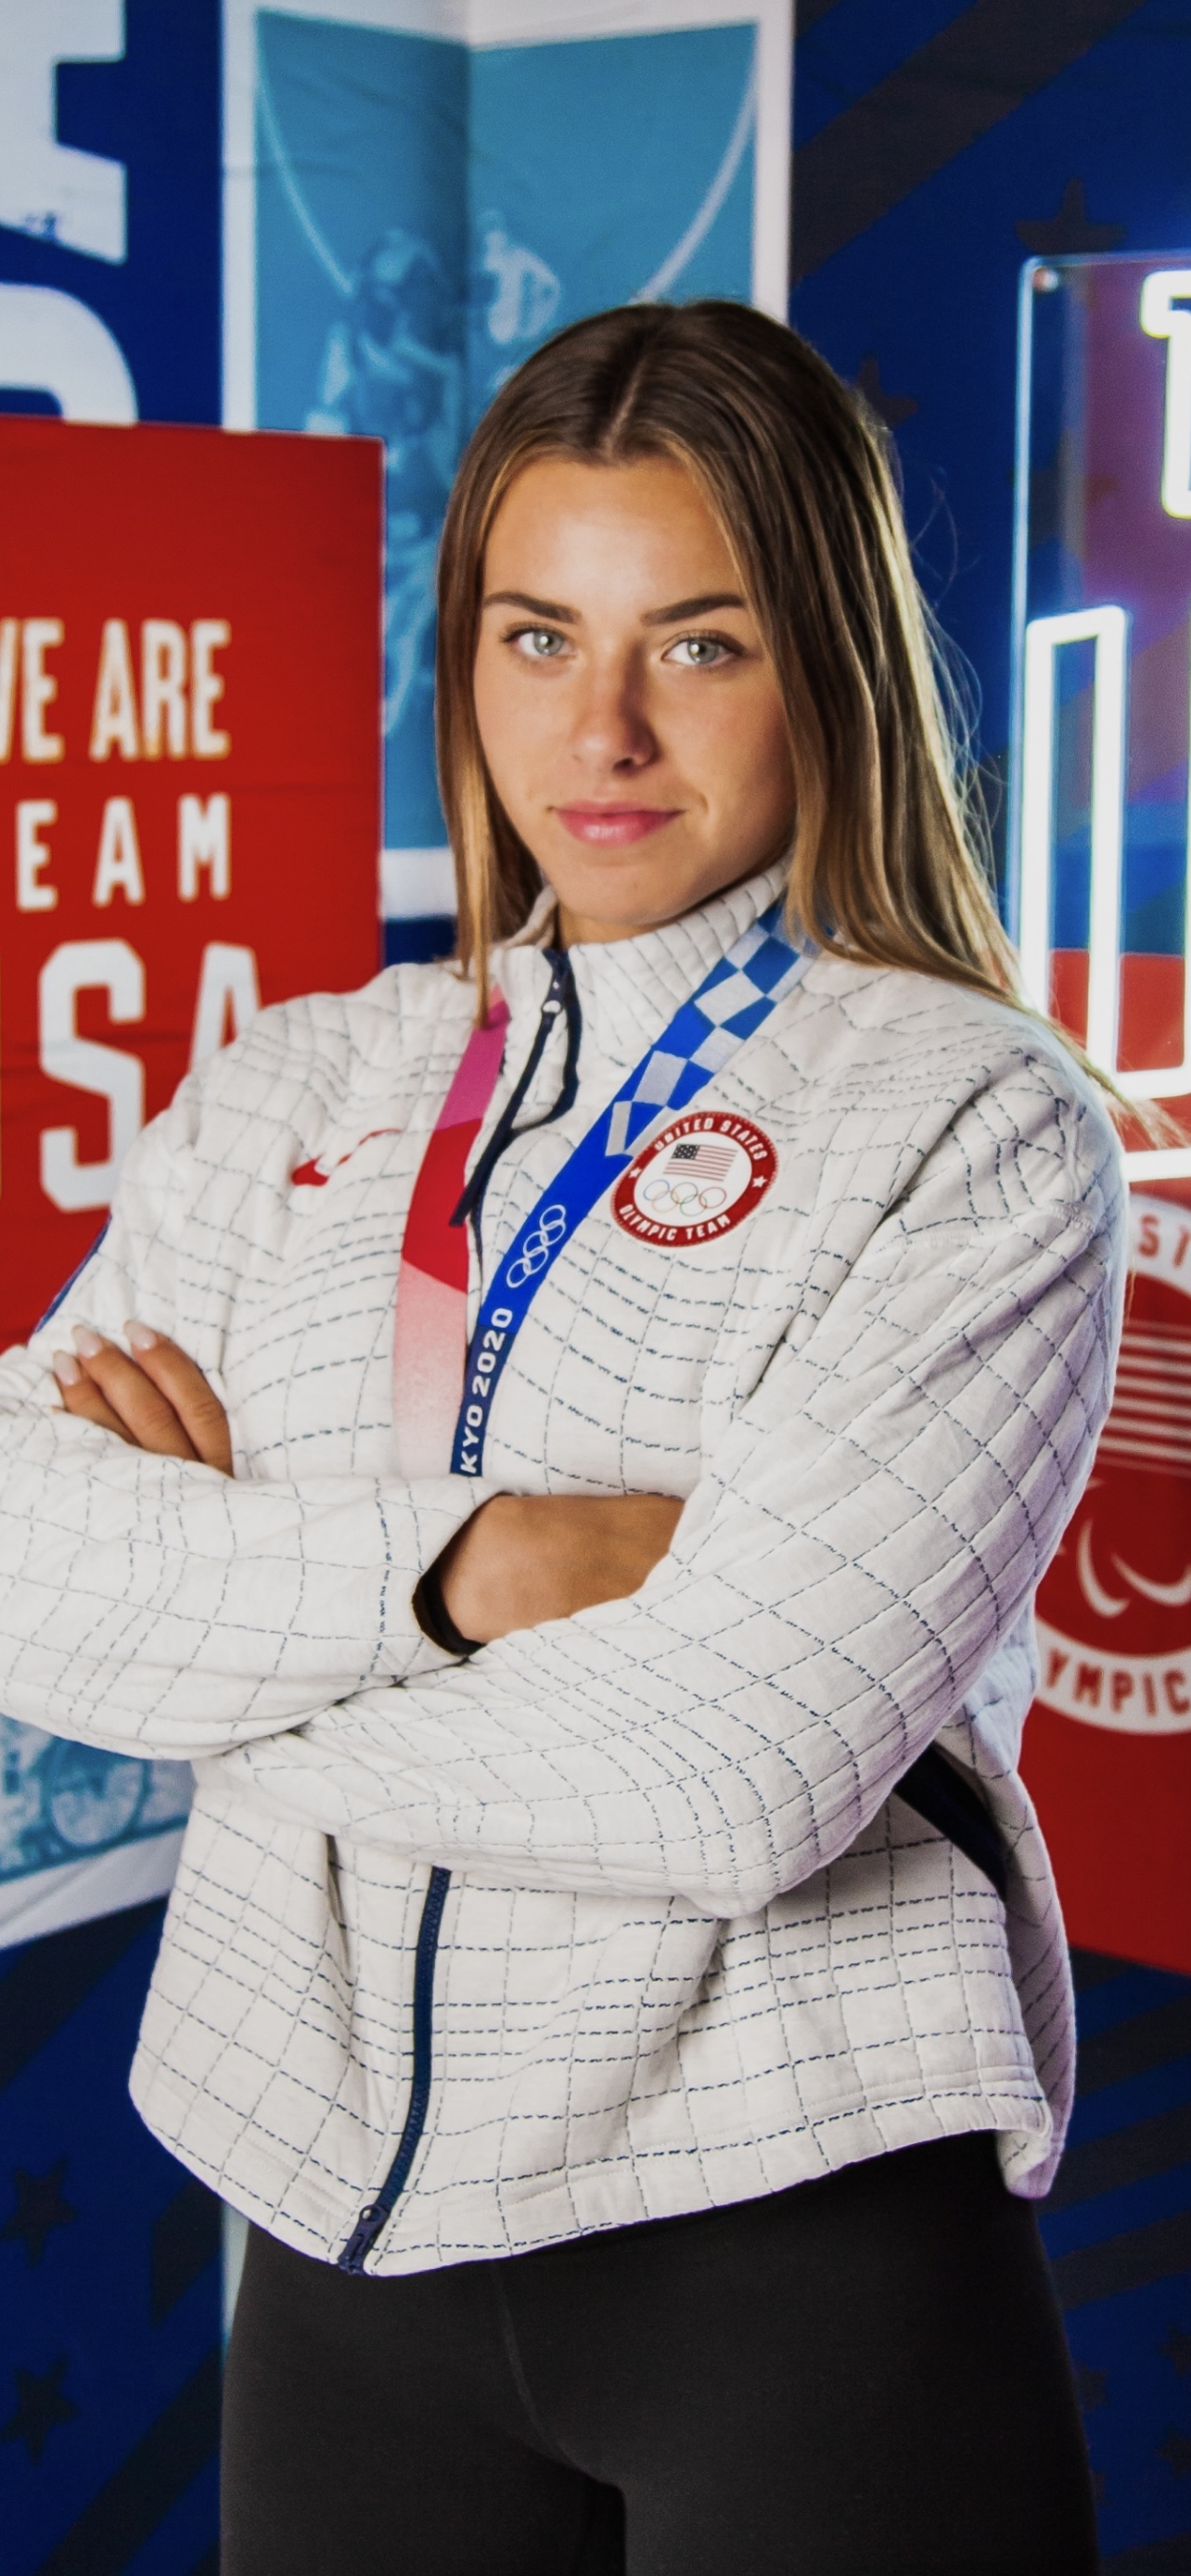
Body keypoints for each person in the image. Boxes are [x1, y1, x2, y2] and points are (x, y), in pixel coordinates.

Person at [0, 303, 1118, 2574]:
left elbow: (733, 1776)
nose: (598, 731)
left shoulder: (973, 1125)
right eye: (538, 636)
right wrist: (475, 1567)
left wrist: (214, 1657)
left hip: (796, 2246)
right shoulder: (300, 1081)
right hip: (331, 2230)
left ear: (827, 663)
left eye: (697, 643)